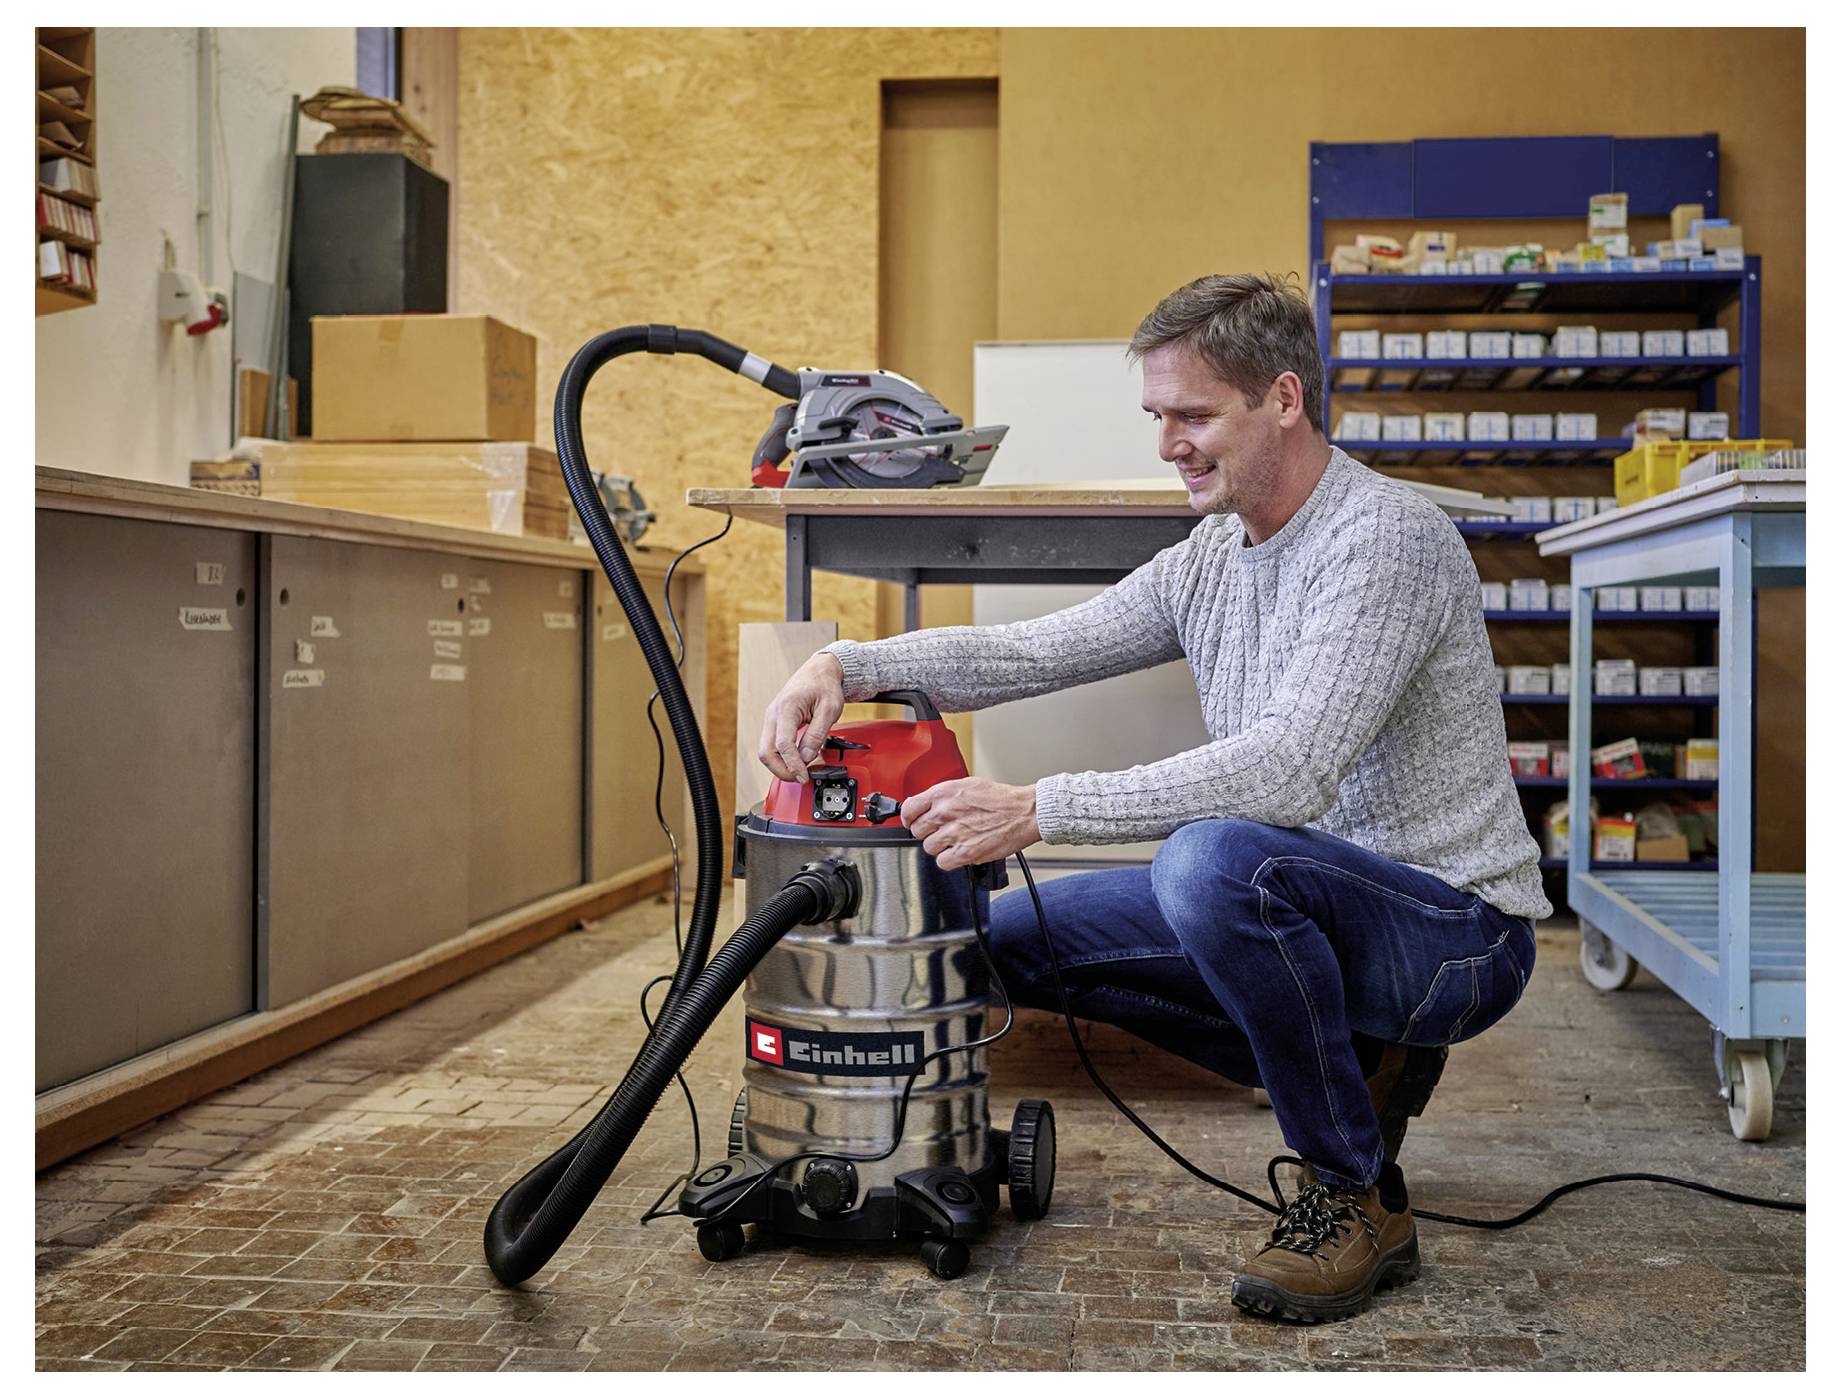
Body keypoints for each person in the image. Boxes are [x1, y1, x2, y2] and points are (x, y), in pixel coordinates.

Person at [757, 272, 1551, 1324]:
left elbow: (1288, 768)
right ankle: (1353, 1063)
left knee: (1207, 862)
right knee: (996, 938)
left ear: (1280, 398)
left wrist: (1038, 806)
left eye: (1192, 415)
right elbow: (1034, 649)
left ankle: (1345, 1190)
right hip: (1307, 897)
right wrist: (848, 665)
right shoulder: (1214, 555)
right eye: (1156, 417)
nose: (1167, 443)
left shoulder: (1382, 538)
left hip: (1449, 928)